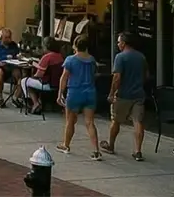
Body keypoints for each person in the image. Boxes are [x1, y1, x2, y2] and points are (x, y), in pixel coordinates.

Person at [103, 31, 147, 160]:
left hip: (123, 95)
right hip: (138, 94)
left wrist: (112, 93)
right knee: (138, 121)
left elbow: (117, 77)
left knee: (116, 120)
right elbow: (146, 74)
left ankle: (111, 145)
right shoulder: (141, 57)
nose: (117, 44)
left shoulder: (120, 57)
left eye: (118, 42)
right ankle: (138, 151)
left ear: (124, 43)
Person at [58, 35, 102, 159]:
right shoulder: (92, 60)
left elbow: (64, 77)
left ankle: (66, 145)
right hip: (90, 92)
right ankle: (96, 150)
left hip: (75, 92)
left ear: (75, 46)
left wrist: (60, 93)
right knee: (89, 122)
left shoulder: (70, 60)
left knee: (70, 121)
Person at [21, 41, 65, 115]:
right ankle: (38, 102)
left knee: (24, 81)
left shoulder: (47, 57)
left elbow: (39, 74)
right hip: (58, 85)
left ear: (46, 46)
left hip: (47, 84)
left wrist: (32, 76)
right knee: (30, 82)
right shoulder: (60, 56)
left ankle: (34, 103)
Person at [0, 27, 22, 106]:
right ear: (1, 37)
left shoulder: (13, 45)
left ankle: (15, 96)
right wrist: (0, 63)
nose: (9, 39)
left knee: (19, 74)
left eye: (9, 37)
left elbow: (17, 55)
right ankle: (0, 96)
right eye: (6, 38)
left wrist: (19, 57)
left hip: (12, 66)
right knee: (0, 73)